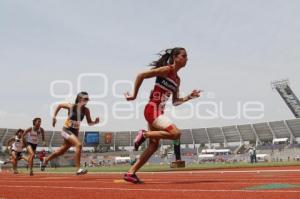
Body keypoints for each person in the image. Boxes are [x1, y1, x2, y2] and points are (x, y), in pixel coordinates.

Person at [123, 47, 201, 183]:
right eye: (184, 56)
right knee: (176, 133)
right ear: (175, 57)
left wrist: (189, 96)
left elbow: (175, 102)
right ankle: (144, 134)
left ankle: (131, 173)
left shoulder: (177, 80)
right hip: (152, 109)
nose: (186, 58)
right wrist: (134, 95)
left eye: (187, 56)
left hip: (158, 111)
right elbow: (141, 75)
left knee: (153, 146)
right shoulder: (167, 70)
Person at [42, 91, 100, 175]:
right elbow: (59, 106)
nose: (87, 101)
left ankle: (46, 160)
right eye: (85, 99)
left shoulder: (86, 110)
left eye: (88, 99)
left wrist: (95, 122)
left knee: (61, 151)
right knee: (78, 145)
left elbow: (89, 123)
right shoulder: (72, 106)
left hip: (74, 133)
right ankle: (78, 169)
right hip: (66, 130)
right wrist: (54, 117)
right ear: (79, 99)